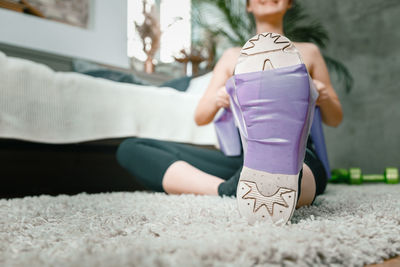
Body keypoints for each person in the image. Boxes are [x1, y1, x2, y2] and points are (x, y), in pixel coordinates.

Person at [116, 0, 343, 210]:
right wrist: (219, 98)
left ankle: (274, 176)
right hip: (242, 157)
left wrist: (321, 96)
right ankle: (229, 189)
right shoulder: (232, 57)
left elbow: (335, 118)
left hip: (299, 151)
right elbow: (201, 117)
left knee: (293, 166)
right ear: (248, 6)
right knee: (131, 148)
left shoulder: (308, 53)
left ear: (289, 3)